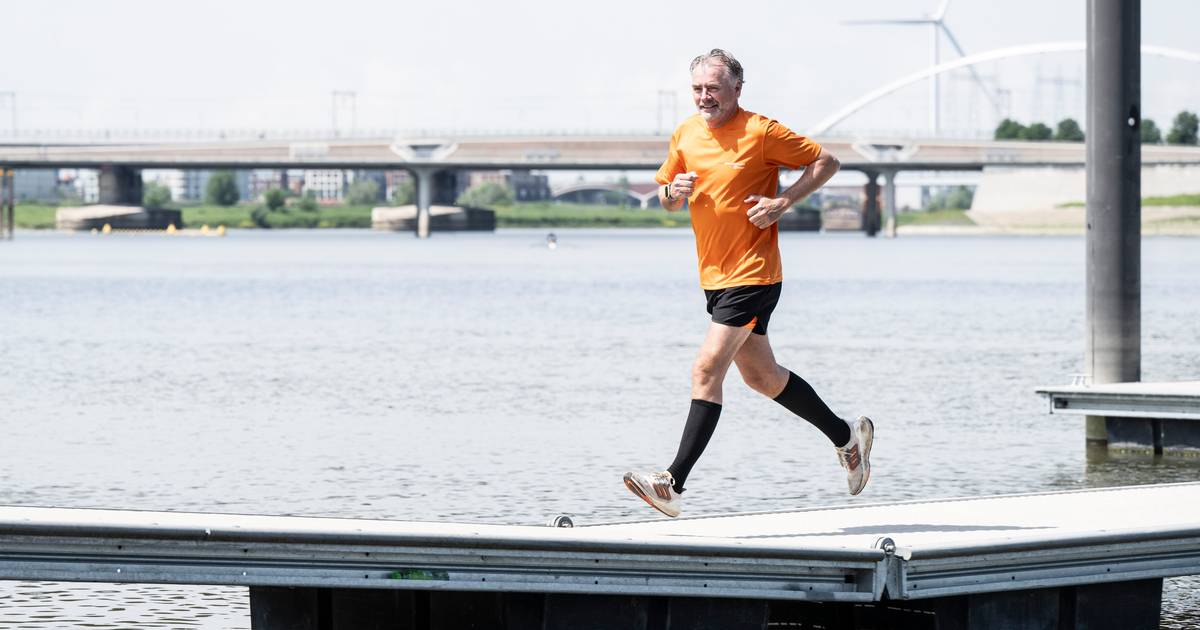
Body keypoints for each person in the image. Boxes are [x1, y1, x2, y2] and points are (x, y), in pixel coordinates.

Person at [623, 49, 873, 518]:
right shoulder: (685, 134)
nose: (704, 96)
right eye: (697, 88)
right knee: (762, 377)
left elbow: (827, 162)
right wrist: (669, 193)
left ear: (737, 89)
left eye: (713, 88)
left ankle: (672, 484)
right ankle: (847, 438)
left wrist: (784, 201)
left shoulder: (761, 132)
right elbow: (667, 198)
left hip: (754, 274)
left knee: (705, 370)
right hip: (715, 278)